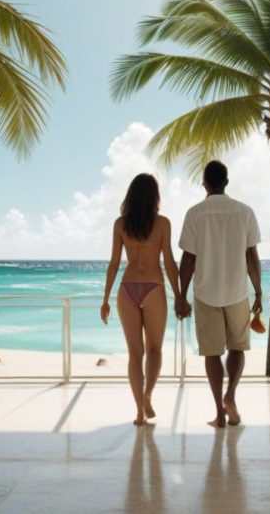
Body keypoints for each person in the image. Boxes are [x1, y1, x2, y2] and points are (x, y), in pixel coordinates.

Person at [175, 160, 263, 428]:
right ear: (226, 182)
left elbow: (188, 260)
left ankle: (220, 413)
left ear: (204, 183)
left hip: (205, 293)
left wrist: (181, 295)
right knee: (238, 347)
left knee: (212, 353)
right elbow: (252, 256)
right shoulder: (245, 212)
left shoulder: (195, 214)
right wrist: (259, 291)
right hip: (237, 291)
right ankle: (231, 396)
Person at [101, 174, 181, 426]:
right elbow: (168, 261)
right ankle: (147, 396)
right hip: (154, 287)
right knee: (154, 349)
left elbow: (114, 264)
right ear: (154, 196)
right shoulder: (163, 224)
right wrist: (179, 295)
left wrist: (105, 299)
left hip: (127, 288)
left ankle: (138, 412)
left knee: (134, 354)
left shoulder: (120, 224)